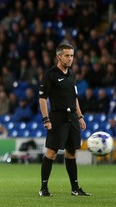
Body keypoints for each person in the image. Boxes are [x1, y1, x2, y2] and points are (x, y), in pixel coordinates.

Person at [38, 43, 91, 197]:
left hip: (72, 117)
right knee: (51, 152)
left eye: (72, 55)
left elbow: (74, 98)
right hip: (58, 117)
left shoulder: (71, 74)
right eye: (67, 55)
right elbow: (42, 98)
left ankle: (75, 189)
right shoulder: (50, 75)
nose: (70, 58)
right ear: (58, 56)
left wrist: (80, 116)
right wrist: (46, 119)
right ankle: (44, 188)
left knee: (71, 152)